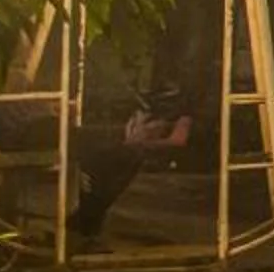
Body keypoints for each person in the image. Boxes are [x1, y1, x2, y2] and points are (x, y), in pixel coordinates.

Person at [68, 83, 195, 244]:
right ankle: (87, 215)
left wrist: (146, 143)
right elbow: (130, 137)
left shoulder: (182, 118)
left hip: (142, 154)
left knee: (106, 171)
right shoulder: (141, 115)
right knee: (98, 169)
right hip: (131, 150)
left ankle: (88, 218)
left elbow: (177, 141)